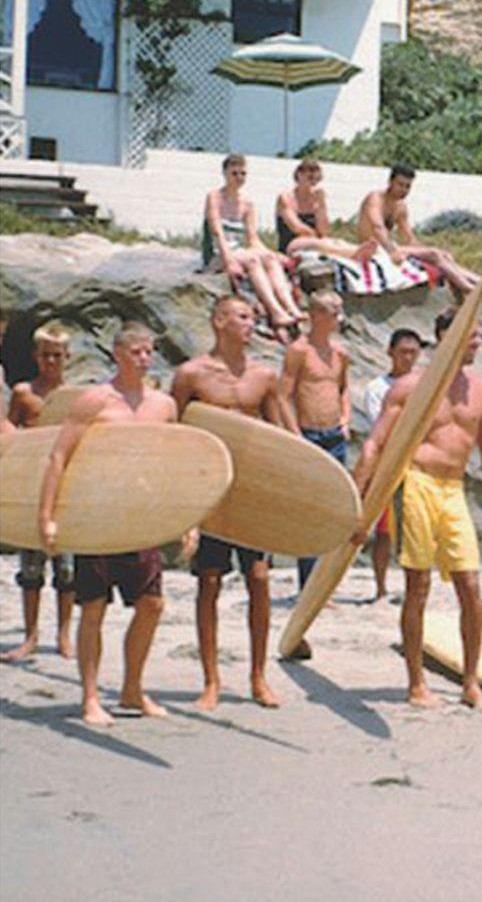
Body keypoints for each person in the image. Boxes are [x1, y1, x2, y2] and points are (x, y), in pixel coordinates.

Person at [356, 309, 482, 707]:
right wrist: (361, 503)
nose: (477, 342)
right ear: (446, 337)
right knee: (418, 586)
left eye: (479, 336)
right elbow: (375, 444)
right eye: (470, 335)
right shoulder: (410, 387)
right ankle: (416, 683)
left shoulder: (481, 390)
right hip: (417, 483)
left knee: (471, 587)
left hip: (453, 489)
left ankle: (471, 682)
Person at [39, 322, 188, 727]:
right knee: (93, 607)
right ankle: (90, 697)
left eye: (149, 351)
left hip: (141, 516)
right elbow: (58, 458)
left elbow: (174, 462)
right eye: (137, 352)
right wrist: (47, 517)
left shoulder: (164, 406)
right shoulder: (95, 402)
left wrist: (187, 518)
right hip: (97, 515)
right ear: (119, 354)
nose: (145, 358)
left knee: (152, 604)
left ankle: (131, 689)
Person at [172, 295, 289, 710]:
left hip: (251, 491)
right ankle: (211, 681)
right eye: (243, 316)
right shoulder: (190, 375)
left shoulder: (264, 376)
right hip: (211, 492)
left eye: (253, 317)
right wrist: (183, 507)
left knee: (259, 578)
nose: (250, 323)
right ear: (219, 321)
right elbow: (173, 435)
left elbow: (286, 437)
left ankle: (259, 678)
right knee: (209, 581)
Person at [4, 322, 76, 662]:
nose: (51, 362)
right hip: (32, 487)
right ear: (35, 356)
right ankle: (31, 635)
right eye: (46, 355)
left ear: (68, 357)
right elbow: (9, 433)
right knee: (31, 568)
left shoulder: (76, 397)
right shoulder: (23, 393)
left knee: (68, 568)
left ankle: (64, 635)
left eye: (57, 356)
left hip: (68, 488)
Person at [357, 165, 482, 303]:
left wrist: (428, 252)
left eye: (407, 186)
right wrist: (393, 251)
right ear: (390, 182)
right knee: (433, 254)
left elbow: (410, 239)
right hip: (372, 248)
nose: (404, 190)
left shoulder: (400, 207)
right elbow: (378, 228)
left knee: (441, 255)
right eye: (400, 185)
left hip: (387, 248)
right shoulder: (375, 198)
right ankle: (475, 291)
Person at [280, 290, 351, 589]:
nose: (339, 316)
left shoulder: (340, 353)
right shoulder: (299, 350)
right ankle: (308, 584)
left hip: (334, 435)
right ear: (318, 315)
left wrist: (345, 419)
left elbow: (343, 388)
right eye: (334, 311)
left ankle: (327, 584)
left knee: (333, 508)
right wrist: (295, 435)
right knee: (308, 511)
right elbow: (283, 396)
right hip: (308, 434)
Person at [353, 328, 424, 604]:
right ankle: (380, 586)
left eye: (413, 352)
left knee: (412, 528)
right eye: (403, 351)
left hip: (417, 463)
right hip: (387, 462)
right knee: (383, 531)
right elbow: (380, 427)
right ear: (391, 352)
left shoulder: (424, 385)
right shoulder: (378, 388)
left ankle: (411, 586)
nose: (408, 358)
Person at [204, 153, 303, 337]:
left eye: (243, 174)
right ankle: (275, 312)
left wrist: (271, 253)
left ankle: (290, 308)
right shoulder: (215, 197)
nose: (239, 178)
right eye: (235, 173)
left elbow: (253, 238)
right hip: (219, 253)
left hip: (241, 251)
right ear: (225, 173)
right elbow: (217, 233)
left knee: (270, 260)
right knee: (253, 261)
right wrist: (229, 261)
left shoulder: (247, 203)